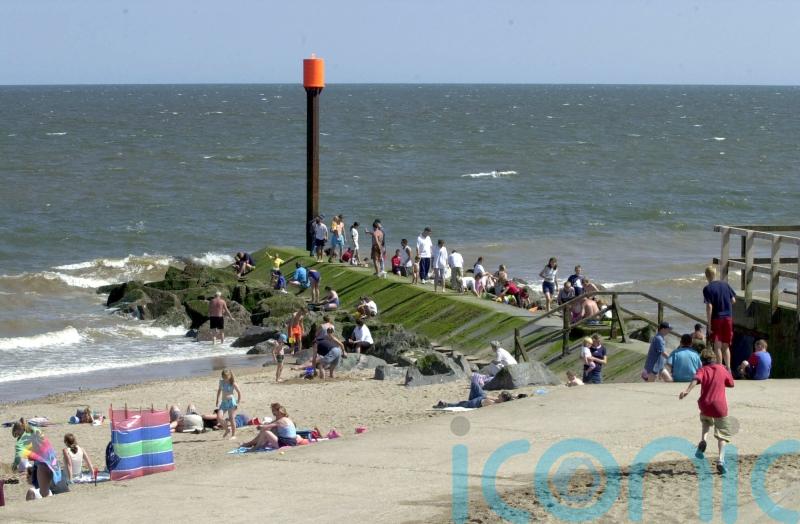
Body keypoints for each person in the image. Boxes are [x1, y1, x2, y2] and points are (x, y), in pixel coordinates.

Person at [679, 347, 735, 475]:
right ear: (714, 359)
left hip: (705, 404)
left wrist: (687, 391)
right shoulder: (722, 369)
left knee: (706, 421)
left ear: (702, 361)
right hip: (719, 406)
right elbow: (731, 384)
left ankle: (703, 440)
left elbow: (696, 380)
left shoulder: (702, 369)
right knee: (722, 435)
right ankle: (721, 460)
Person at [11, 418, 62, 498]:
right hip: (52, 461)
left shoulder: (24, 439)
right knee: (46, 489)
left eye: (17, 434)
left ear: (20, 429)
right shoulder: (35, 430)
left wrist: (14, 465)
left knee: (44, 492)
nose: (18, 437)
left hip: (43, 463)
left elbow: (18, 457)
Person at [702, 265, 737, 369]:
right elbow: (733, 300)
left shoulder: (707, 288)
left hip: (717, 318)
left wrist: (709, 324)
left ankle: (720, 369)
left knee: (717, 346)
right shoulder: (725, 284)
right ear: (715, 273)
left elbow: (709, 306)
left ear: (706, 276)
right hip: (728, 318)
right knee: (726, 346)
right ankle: (729, 370)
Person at [434, 374, 519, 409]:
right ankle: (445, 404)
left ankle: (445, 404)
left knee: (460, 404)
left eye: (500, 395)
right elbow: (486, 397)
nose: (498, 395)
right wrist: (514, 397)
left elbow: (486, 400)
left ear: (503, 399)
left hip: (474, 402)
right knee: (474, 382)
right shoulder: (498, 400)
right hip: (479, 397)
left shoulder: (495, 403)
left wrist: (487, 398)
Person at [216, 368, 242, 439]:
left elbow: (239, 392)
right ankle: (227, 429)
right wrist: (217, 400)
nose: (225, 379)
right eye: (224, 377)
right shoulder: (221, 382)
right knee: (219, 417)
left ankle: (233, 435)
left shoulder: (233, 383)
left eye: (226, 377)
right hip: (223, 402)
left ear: (230, 376)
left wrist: (238, 401)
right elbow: (219, 390)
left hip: (231, 403)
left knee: (231, 418)